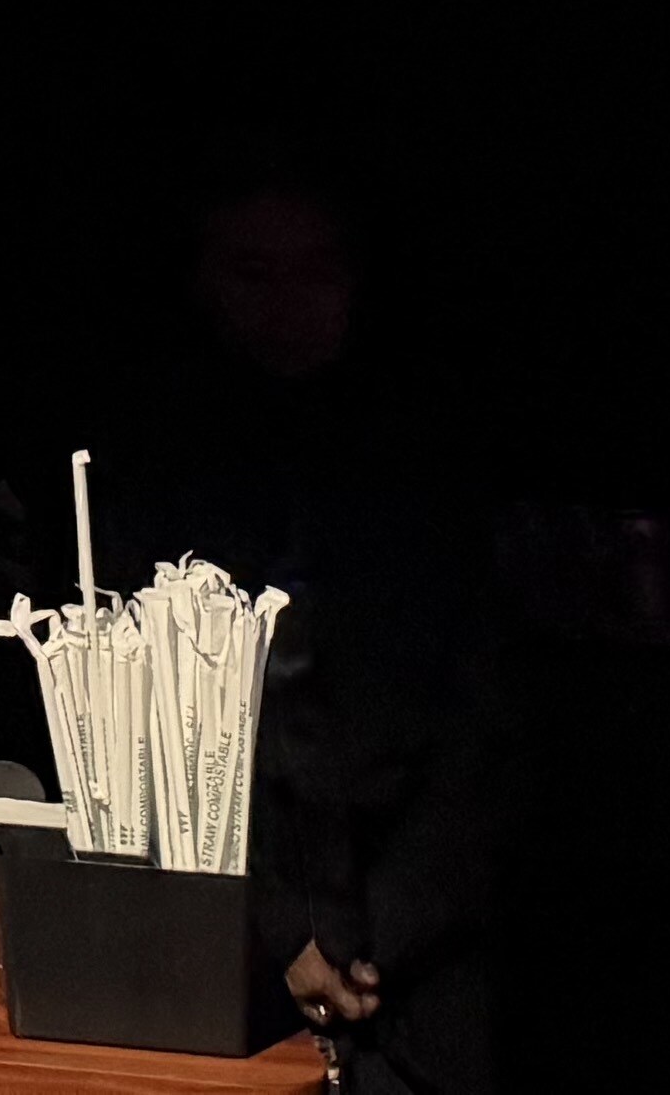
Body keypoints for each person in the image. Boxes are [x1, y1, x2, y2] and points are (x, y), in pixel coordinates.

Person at [121, 152, 505, 1093]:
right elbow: (157, 733)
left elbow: (490, 727)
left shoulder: (428, 468)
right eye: (253, 274)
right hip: (226, 951)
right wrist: (283, 926)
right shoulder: (159, 475)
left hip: (422, 958)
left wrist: (377, 939)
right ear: (203, 281)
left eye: (317, 270)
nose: (289, 302)